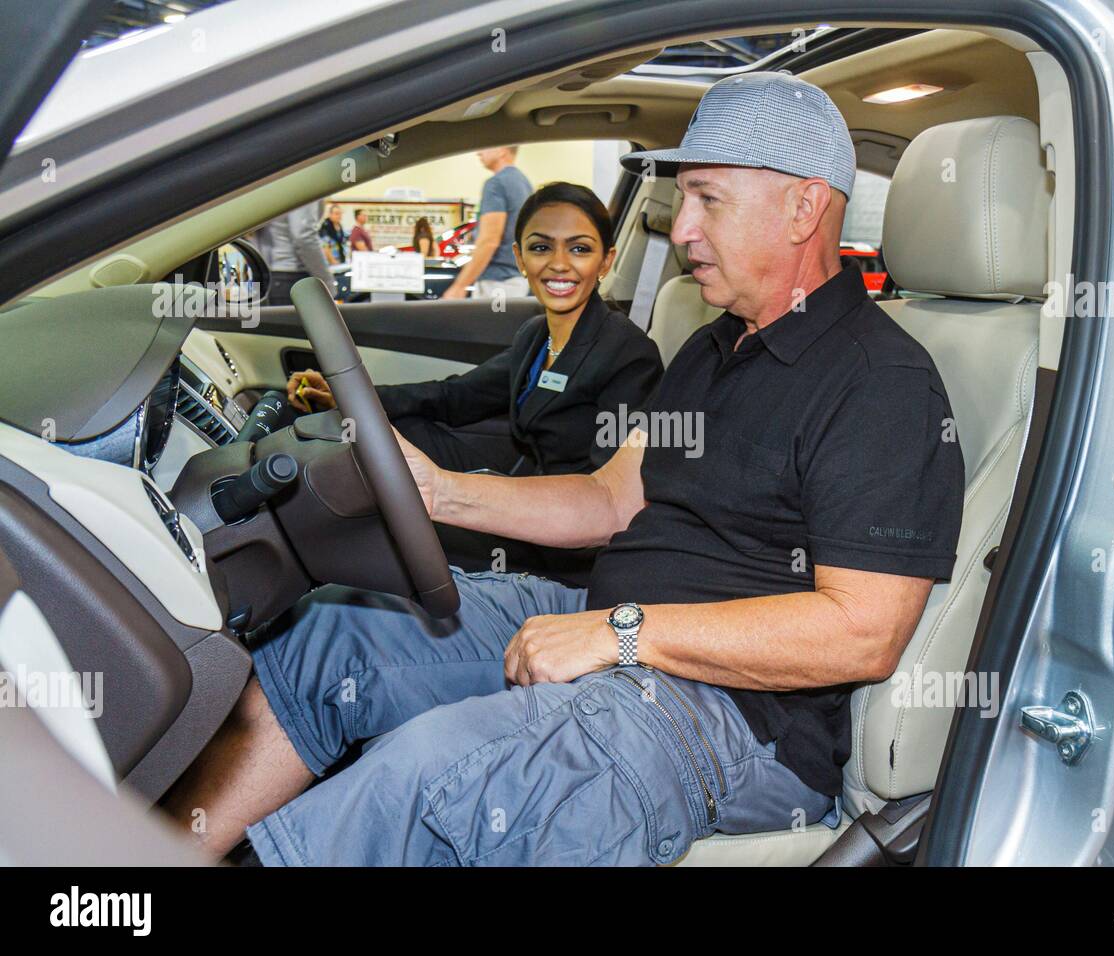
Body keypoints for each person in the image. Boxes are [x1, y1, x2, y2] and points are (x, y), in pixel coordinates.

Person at [164, 73, 965, 867]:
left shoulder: (881, 384)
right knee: (333, 633)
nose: (682, 230)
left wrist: (620, 635)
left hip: (738, 719)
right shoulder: (716, 346)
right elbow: (610, 499)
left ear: (804, 206)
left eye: (708, 199)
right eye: (681, 199)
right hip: (616, 619)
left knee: (439, 776)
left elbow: (862, 633)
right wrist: (439, 493)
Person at [286, 182, 662, 478]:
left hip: (565, 528)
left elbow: (606, 491)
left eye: (579, 249)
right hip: (527, 484)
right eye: (541, 247)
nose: (559, 264)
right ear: (519, 258)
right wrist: (346, 397)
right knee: (404, 428)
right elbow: (453, 397)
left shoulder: (628, 355)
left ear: (605, 261)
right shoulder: (535, 336)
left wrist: (468, 498)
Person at [440, 145, 532, 300]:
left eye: (485, 146)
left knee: (492, 323)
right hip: (518, 281)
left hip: (497, 284)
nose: (478, 152)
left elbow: (489, 241)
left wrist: (459, 286)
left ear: (502, 149)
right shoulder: (524, 183)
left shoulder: (496, 184)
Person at [251, 200, 337, 305]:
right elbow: (304, 236)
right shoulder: (304, 185)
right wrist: (327, 282)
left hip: (267, 275)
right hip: (292, 276)